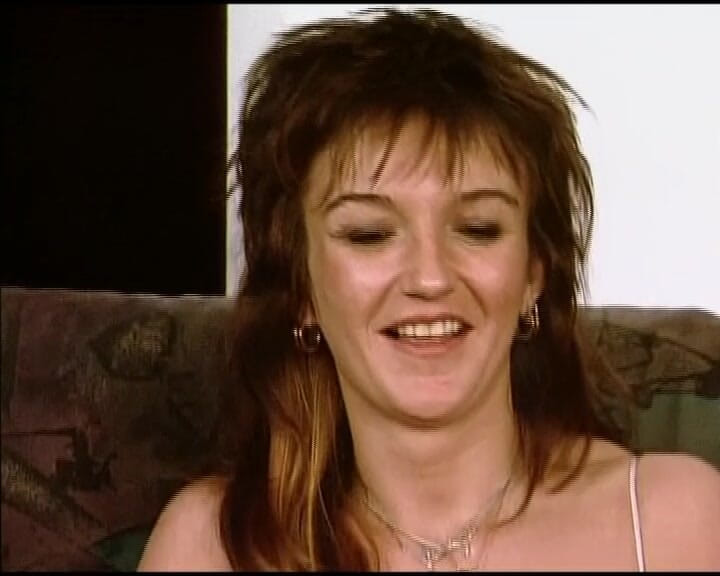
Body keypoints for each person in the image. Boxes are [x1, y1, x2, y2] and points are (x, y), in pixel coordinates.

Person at [138, 7, 720, 571]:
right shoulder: (211, 546)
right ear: (300, 287)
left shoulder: (674, 521)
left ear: (533, 274)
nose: (431, 277)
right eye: (369, 234)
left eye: (478, 229)